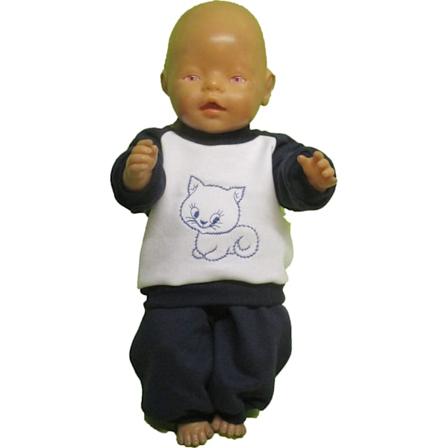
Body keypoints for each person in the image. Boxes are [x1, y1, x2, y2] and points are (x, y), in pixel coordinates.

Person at [111, 1, 337, 446]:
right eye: (192, 76)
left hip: (254, 290)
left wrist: (312, 180)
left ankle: (237, 401)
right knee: (169, 349)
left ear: (266, 87)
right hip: (175, 289)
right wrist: (134, 176)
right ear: (165, 81)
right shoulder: (159, 145)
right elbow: (133, 193)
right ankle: (183, 410)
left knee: (256, 349)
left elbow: (296, 188)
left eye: (235, 78)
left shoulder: (273, 151)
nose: (212, 86)